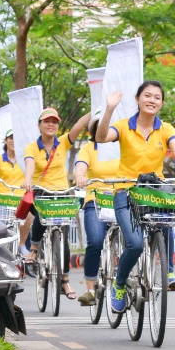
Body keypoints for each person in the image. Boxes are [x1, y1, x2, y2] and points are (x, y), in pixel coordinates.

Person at [95, 81, 175, 313]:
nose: (152, 100)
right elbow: (102, 136)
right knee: (135, 244)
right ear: (137, 99)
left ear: (162, 103)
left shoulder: (166, 129)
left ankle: (169, 270)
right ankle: (119, 284)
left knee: (167, 220)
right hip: (126, 191)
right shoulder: (124, 126)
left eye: (157, 97)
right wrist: (109, 110)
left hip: (153, 191)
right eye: (147, 95)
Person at [21, 107, 90, 298]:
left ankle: (65, 281)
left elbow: (79, 125)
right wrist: (28, 180)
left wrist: (97, 109)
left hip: (62, 193)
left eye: (54, 122)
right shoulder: (32, 147)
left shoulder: (64, 143)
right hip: (41, 191)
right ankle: (34, 249)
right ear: (39, 125)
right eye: (47, 121)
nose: (51, 125)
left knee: (65, 240)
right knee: (40, 213)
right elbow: (30, 165)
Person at [72, 118, 122, 307]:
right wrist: (80, 176)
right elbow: (81, 165)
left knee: (134, 241)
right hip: (96, 199)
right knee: (95, 241)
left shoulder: (125, 148)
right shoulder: (88, 149)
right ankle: (91, 288)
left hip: (121, 198)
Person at [0, 131, 26, 232]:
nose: (14, 141)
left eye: (17, 138)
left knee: (26, 227)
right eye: (11, 138)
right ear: (5, 140)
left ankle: (23, 246)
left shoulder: (26, 160)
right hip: (2, 200)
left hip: (21, 199)